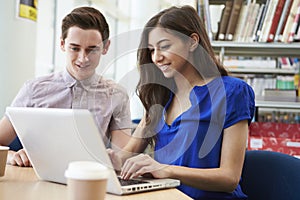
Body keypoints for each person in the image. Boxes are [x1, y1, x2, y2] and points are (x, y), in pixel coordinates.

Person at [108, 5, 255, 200]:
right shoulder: (159, 96)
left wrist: (166, 169)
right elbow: (124, 156)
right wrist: (109, 160)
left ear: (192, 42)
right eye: (152, 50)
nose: (156, 57)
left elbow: (230, 178)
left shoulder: (232, 92)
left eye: (165, 46)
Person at [0, 6, 132, 167]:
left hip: (88, 179)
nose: (83, 59)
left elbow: (123, 156)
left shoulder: (116, 95)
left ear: (105, 47)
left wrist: (116, 159)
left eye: (92, 49)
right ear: (62, 44)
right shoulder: (33, 89)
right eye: (75, 48)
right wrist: (10, 156)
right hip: (38, 180)